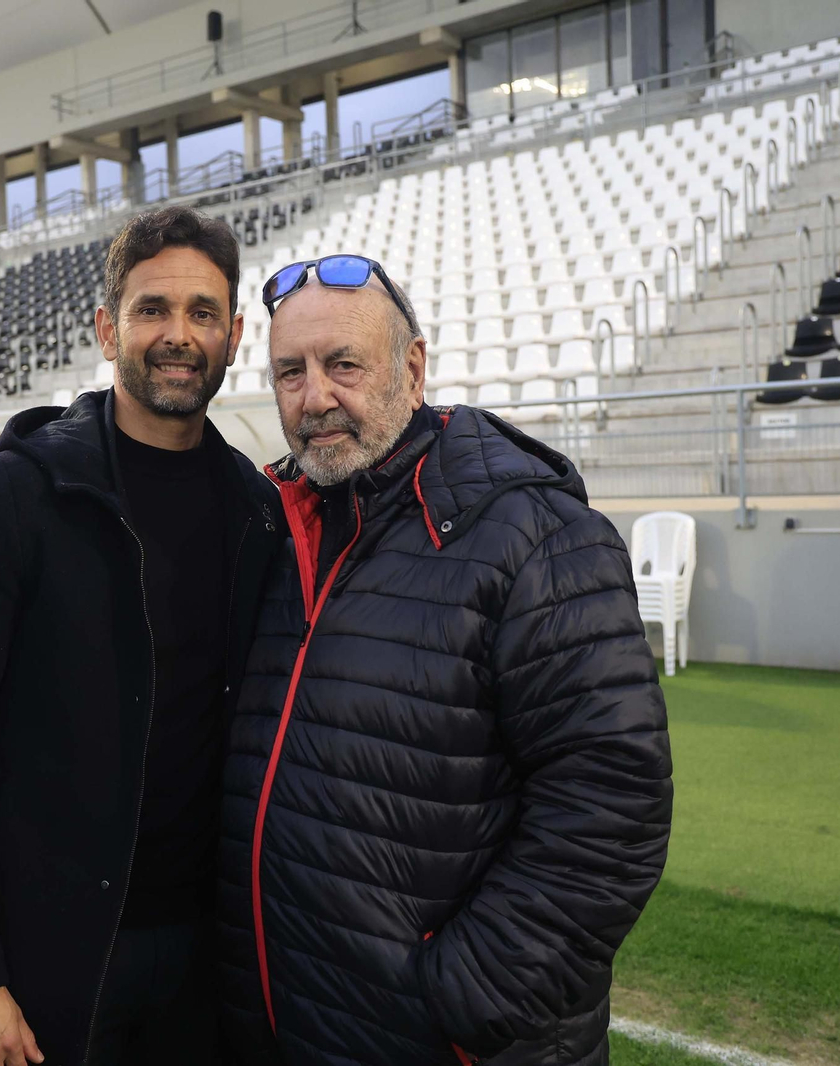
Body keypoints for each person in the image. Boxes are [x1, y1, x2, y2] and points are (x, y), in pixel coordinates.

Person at [217, 255, 673, 1066]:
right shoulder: (270, 528)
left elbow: (613, 802)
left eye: (343, 364)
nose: (315, 396)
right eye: (291, 371)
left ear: (414, 368)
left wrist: (464, 1000)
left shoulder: (533, 533)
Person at [0, 206, 282, 1066]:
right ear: (109, 329)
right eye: (152, 309)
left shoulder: (256, 511)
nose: (177, 335)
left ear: (234, 334)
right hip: (40, 960)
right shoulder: (12, 495)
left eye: (202, 312)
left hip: (198, 971)